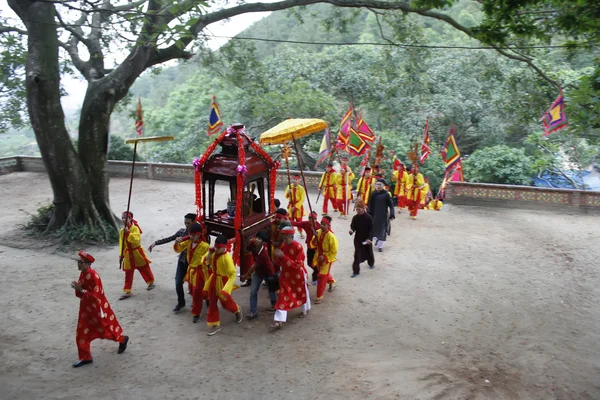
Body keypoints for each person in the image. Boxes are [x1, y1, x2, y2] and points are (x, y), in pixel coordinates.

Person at [71, 251, 129, 368]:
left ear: (87, 264)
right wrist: (79, 289)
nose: (78, 264)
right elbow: (81, 293)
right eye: (78, 261)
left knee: (104, 331)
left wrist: (81, 290)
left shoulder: (94, 276)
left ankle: (122, 339)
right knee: (81, 332)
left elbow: (96, 296)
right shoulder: (83, 273)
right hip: (85, 308)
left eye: (80, 262)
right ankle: (85, 357)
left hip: (96, 309)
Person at [148, 213, 196, 312]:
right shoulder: (182, 232)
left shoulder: (199, 234)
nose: (186, 225)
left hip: (194, 264)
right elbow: (170, 238)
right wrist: (156, 243)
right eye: (185, 223)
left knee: (197, 285)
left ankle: (202, 302)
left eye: (188, 223)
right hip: (183, 261)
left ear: (194, 222)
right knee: (178, 282)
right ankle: (181, 303)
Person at [270, 226, 311, 331]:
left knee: (302, 293)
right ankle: (279, 321)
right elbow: (279, 261)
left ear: (290, 236)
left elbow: (297, 265)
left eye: (285, 237)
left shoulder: (298, 247)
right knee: (283, 296)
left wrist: (282, 256)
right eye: (283, 237)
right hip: (286, 276)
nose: (284, 240)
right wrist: (277, 258)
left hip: (297, 276)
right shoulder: (284, 245)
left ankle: (305, 309)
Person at [202, 235, 243, 336]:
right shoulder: (213, 253)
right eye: (215, 247)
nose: (216, 249)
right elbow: (204, 261)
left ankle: (237, 310)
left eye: (219, 248)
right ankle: (215, 324)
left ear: (224, 247)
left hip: (223, 282)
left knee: (226, 304)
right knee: (212, 303)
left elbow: (232, 274)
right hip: (214, 280)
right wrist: (209, 253)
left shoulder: (227, 258)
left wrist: (226, 289)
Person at [173, 223, 210, 323]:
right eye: (191, 235)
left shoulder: (205, 246)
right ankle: (207, 299)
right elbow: (178, 249)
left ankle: (196, 313)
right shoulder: (188, 242)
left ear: (198, 235)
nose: (191, 237)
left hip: (201, 271)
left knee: (197, 291)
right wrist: (176, 243)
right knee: (193, 291)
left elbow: (208, 260)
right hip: (191, 271)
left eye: (193, 235)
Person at [241, 231, 278, 320]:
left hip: (268, 273)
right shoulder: (253, 245)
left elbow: (253, 266)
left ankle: (275, 305)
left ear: (263, 242)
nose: (257, 240)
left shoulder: (264, 254)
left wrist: (245, 275)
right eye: (256, 237)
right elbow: (246, 248)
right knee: (253, 291)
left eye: (259, 239)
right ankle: (253, 312)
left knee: (272, 290)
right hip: (258, 272)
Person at [119, 211, 155, 300]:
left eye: (126, 218)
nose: (124, 220)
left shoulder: (135, 228)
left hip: (137, 252)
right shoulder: (121, 231)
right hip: (128, 254)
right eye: (122, 218)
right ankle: (128, 291)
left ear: (130, 219)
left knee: (144, 267)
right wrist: (121, 254)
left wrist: (128, 233)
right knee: (128, 272)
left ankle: (151, 282)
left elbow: (136, 240)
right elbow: (122, 243)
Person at [311, 216, 338, 304]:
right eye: (321, 224)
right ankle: (331, 282)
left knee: (321, 276)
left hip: (327, 258)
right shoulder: (317, 232)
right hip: (318, 256)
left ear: (328, 225)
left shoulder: (331, 237)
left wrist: (325, 257)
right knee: (323, 273)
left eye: (324, 225)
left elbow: (334, 251)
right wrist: (315, 238)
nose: (322, 226)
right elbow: (313, 243)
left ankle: (319, 296)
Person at [291, 210, 320, 285]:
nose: (311, 220)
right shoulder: (305, 224)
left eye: (314, 218)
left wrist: (317, 234)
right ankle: (318, 272)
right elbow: (296, 223)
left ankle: (315, 276)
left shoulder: (319, 226)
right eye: (310, 218)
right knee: (309, 263)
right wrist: (286, 221)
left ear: (316, 219)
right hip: (309, 246)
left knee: (316, 263)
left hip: (317, 248)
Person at [367, 180, 395, 252]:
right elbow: (370, 204)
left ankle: (380, 246)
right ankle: (377, 240)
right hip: (374, 215)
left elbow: (391, 205)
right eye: (377, 184)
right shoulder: (373, 193)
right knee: (374, 229)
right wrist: (368, 213)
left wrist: (392, 213)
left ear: (383, 186)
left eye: (380, 184)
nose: (378, 186)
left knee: (382, 230)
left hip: (383, 215)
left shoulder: (386, 194)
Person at [349, 200, 374, 277]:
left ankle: (371, 263)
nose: (358, 211)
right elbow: (353, 226)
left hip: (367, 239)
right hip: (358, 239)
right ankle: (356, 271)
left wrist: (369, 238)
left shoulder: (368, 218)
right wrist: (351, 230)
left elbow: (372, 229)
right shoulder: (355, 218)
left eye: (359, 209)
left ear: (363, 208)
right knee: (357, 254)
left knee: (369, 252)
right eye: (357, 209)